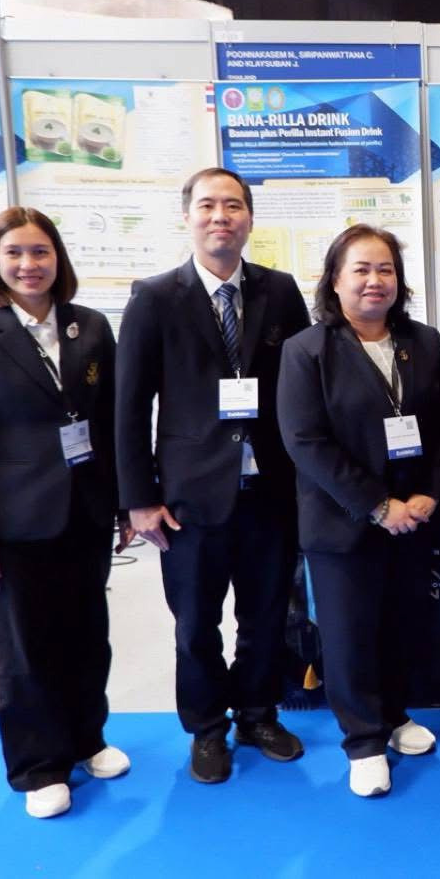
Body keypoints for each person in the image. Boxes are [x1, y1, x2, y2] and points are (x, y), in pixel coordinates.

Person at [116, 167, 310, 783]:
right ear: (188, 217)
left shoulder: (280, 291)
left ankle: (257, 714)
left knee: (265, 615)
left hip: (270, 490)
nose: (220, 216)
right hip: (189, 496)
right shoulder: (154, 297)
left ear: (249, 218)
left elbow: (304, 389)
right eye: (207, 206)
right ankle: (205, 727)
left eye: (232, 205)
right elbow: (128, 405)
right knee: (196, 624)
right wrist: (138, 500)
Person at [277, 225, 440, 796]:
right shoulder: (307, 350)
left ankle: (395, 715)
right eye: (361, 269)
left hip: (413, 518)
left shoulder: (423, 342)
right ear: (335, 280)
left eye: (385, 269)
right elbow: (305, 441)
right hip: (344, 522)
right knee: (349, 635)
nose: (375, 280)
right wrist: (378, 505)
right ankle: (363, 741)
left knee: (401, 625)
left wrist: (431, 491)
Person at [0, 208, 130, 818]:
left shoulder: (90, 326)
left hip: (84, 511)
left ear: (58, 258)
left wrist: (122, 505)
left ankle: (88, 739)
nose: (28, 265)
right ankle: (38, 766)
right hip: (14, 521)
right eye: (14, 253)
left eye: (40, 252)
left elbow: (111, 423)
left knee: (88, 636)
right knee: (26, 648)